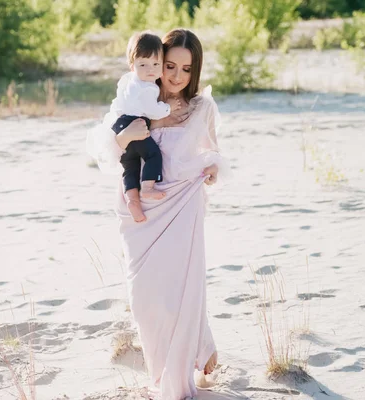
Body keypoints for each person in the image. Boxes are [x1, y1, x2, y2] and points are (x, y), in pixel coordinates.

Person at [87, 28, 232, 400]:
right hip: (138, 209)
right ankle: (200, 346)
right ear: (158, 62)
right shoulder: (137, 99)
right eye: (170, 65)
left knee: (182, 288)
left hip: (182, 202)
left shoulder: (202, 107)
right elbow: (110, 150)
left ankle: (179, 373)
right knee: (146, 297)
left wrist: (213, 168)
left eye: (186, 68)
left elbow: (213, 150)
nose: (177, 76)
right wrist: (128, 134)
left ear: (195, 70)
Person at [111, 31, 181, 223]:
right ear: (132, 65)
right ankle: (148, 188)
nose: (150, 70)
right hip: (137, 124)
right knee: (152, 155)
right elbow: (154, 111)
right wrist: (169, 107)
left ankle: (133, 200)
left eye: (156, 64)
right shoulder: (148, 87)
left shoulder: (127, 82)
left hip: (120, 124)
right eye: (143, 64)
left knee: (130, 165)